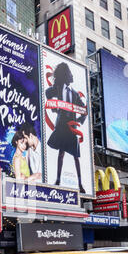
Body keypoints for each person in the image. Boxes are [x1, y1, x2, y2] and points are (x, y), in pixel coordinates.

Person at [46, 62, 87, 193]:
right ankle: (58, 180)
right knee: (61, 153)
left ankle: (80, 184)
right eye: (70, 73)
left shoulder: (74, 93)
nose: (72, 75)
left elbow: (84, 110)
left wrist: (79, 121)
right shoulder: (57, 88)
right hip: (61, 125)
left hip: (72, 126)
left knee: (76, 156)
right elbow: (47, 93)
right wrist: (54, 108)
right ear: (65, 75)